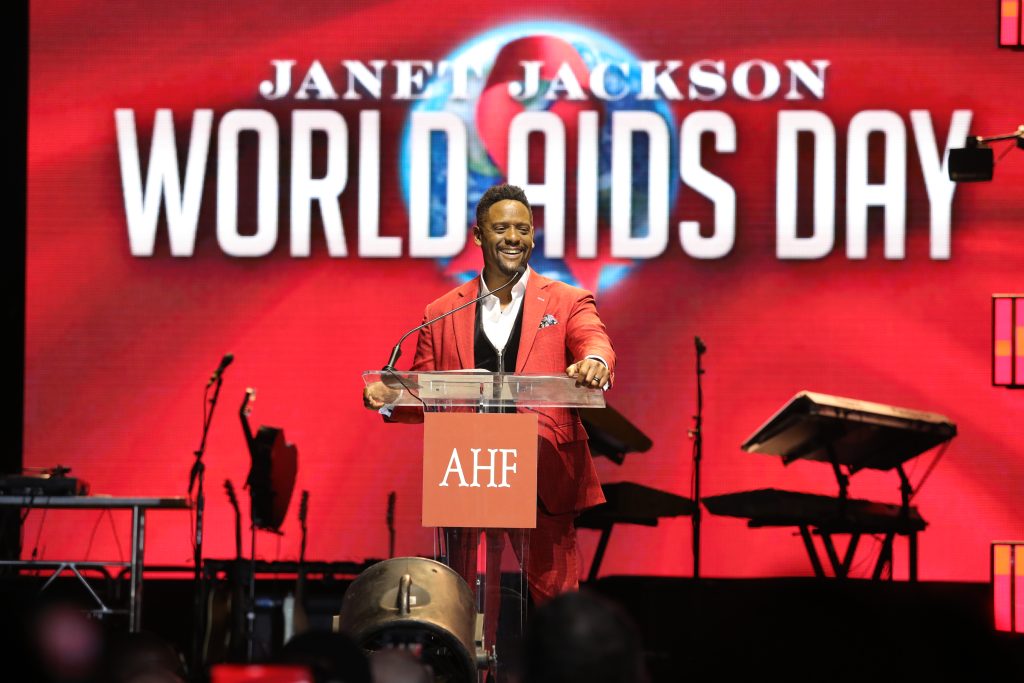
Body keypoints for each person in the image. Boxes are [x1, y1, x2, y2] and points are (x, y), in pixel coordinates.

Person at [362, 183, 615, 609]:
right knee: (464, 605)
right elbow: (424, 390)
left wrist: (596, 362)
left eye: (523, 229)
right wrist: (390, 395)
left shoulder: (567, 299)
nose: (513, 238)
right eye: (501, 228)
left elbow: (594, 339)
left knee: (556, 609)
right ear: (478, 235)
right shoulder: (443, 311)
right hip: (467, 474)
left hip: (542, 473)